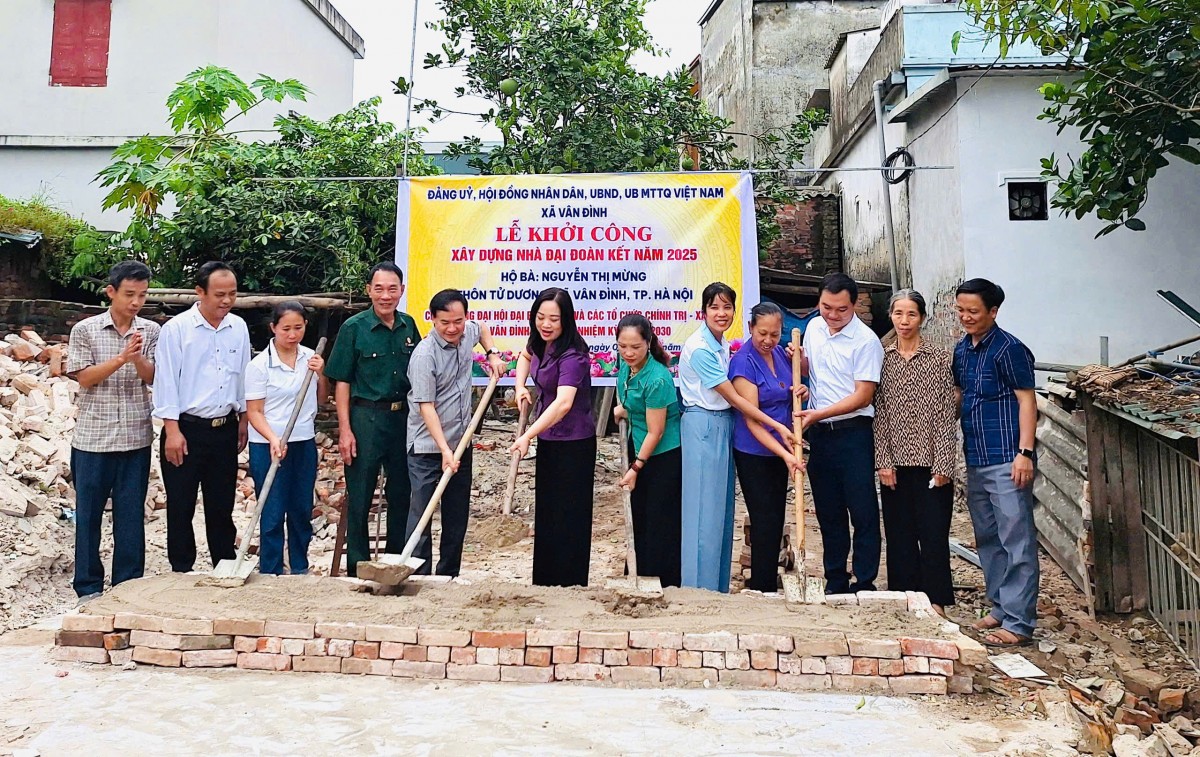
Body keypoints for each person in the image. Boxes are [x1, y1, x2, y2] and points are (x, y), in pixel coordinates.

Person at [677, 282, 795, 593]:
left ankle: (717, 588)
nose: (721, 313)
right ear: (703, 312)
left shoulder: (721, 344)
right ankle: (697, 588)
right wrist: (778, 427)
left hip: (723, 425)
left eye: (727, 307)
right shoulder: (700, 348)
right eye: (714, 307)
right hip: (704, 425)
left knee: (721, 511)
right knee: (702, 511)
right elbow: (737, 400)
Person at [66, 261, 159, 601]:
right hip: (93, 439)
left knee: (131, 516)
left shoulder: (151, 331)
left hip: (135, 437)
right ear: (111, 291)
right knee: (88, 516)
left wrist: (137, 359)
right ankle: (88, 586)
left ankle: (128, 586)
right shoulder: (86, 330)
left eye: (142, 295)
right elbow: (84, 377)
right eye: (129, 294)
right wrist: (121, 358)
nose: (136, 302)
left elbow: (153, 377)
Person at [953, 278, 1038, 647]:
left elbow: (1027, 402)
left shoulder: (1009, 349)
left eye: (973, 311)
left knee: (1016, 539)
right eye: (961, 310)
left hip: (1007, 458)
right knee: (988, 537)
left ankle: (1019, 623)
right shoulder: (962, 350)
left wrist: (1025, 453)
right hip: (976, 456)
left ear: (993, 311)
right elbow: (960, 396)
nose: (966, 317)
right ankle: (1001, 607)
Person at [324, 262, 420, 578]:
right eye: (379, 289)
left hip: (402, 419)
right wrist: (345, 430)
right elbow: (341, 381)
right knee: (361, 495)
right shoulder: (354, 328)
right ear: (369, 290)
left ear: (402, 290)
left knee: (401, 493)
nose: (385, 295)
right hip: (365, 418)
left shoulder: (408, 326)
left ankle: (394, 564)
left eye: (392, 289)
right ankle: (357, 567)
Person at [153, 261, 251, 572]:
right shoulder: (177, 330)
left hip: (225, 427)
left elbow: (243, 376)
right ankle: (182, 569)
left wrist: (244, 419)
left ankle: (225, 565)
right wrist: (172, 431)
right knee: (181, 503)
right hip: (186, 428)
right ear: (200, 292)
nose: (226, 300)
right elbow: (166, 381)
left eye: (232, 294)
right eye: (219, 294)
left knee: (221, 503)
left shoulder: (238, 327)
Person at [405, 289, 507, 576]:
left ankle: (449, 574)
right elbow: (426, 407)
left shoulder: (466, 332)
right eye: (445, 323)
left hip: (461, 444)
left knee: (456, 514)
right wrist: (444, 450)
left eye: (458, 321)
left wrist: (492, 354)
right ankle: (417, 575)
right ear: (432, 319)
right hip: (427, 448)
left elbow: (481, 328)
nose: (452, 328)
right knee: (422, 514)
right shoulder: (424, 355)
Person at [799, 272, 885, 595]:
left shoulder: (866, 341)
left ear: (855, 305)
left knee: (862, 510)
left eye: (841, 309)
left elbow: (863, 396)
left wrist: (818, 413)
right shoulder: (813, 328)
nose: (832, 315)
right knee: (828, 510)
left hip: (853, 434)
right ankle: (835, 578)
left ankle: (864, 581)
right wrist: (798, 363)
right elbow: (812, 370)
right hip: (820, 435)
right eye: (826, 307)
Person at [873, 289, 957, 615]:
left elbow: (946, 414)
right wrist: (883, 461)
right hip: (894, 462)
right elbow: (879, 413)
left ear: (922, 317)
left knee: (933, 533)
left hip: (931, 461)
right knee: (899, 534)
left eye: (911, 314)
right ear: (891, 316)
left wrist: (944, 464)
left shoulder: (938, 358)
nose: (904, 321)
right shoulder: (882, 358)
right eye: (898, 313)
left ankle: (936, 600)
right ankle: (905, 598)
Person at [509, 288, 597, 587]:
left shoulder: (573, 354)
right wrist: (520, 386)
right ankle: (545, 582)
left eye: (554, 319)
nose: (545, 324)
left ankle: (570, 583)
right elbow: (525, 355)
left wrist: (527, 436)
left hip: (574, 444)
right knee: (547, 512)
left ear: (566, 320)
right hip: (549, 440)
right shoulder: (540, 341)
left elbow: (563, 404)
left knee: (569, 515)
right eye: (540, 317)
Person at [244, 302, 328, 576]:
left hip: (302, 440)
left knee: (301, 507)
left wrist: (321, 374)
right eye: (286, 329)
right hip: (268, 444)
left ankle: (299, 566)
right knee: (272, 509)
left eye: (298, 328)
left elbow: (321, 398)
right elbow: (254, 412)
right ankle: (271, 569)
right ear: (273, 328)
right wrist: (272, 438)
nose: (292, 335)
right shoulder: (259, 366)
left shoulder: (310, 358)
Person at [728, 302, 805, 594]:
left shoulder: (782, 355)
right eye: (762, 333)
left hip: (781, 448)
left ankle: (768, 578)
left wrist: (801, 390)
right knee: (763, 518)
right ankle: (761, 585)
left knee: (776, 518)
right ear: (750, 328)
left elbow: (789, 392)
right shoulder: (743, 362)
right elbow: (753, 419)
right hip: (755, 451)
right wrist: (787, 454)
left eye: (774, 334)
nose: (768, 340)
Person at [613, 314, 682, 588]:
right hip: (637, 444)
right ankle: (636, 575)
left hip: (662, 455)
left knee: (658, 519)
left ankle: (662, 582)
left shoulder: (658, 379)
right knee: (638, 514)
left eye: (635, 347)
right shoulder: (626, 366)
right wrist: (625, 409)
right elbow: (632, 400)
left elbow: (657, 431)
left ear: (648, 342)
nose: (628, 353)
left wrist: (636, 468)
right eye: (622, 346)